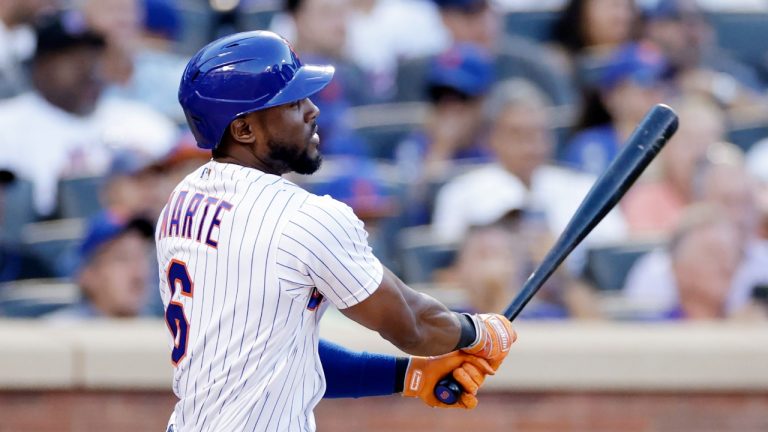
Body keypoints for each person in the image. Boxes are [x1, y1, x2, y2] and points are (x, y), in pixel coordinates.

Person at [160, 31, 516, 431]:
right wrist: (478, 332)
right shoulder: (303, 217)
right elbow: (412, 325)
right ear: (244, 130)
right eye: (292, 103)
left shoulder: (182, 201)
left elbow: (277, 355)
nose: (312, 110)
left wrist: (410, 376)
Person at [0, 10, 177, 217]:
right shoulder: (7, 126)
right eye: (74, 60)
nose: (89, 70)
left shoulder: (144, 121)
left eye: (94, 57)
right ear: (41, 67)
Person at [46, 211, 155, 321]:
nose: (138, 273)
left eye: (143, 257)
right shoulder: (58, 332)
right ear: (88, 274)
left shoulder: (164, 330)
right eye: (123, 258)